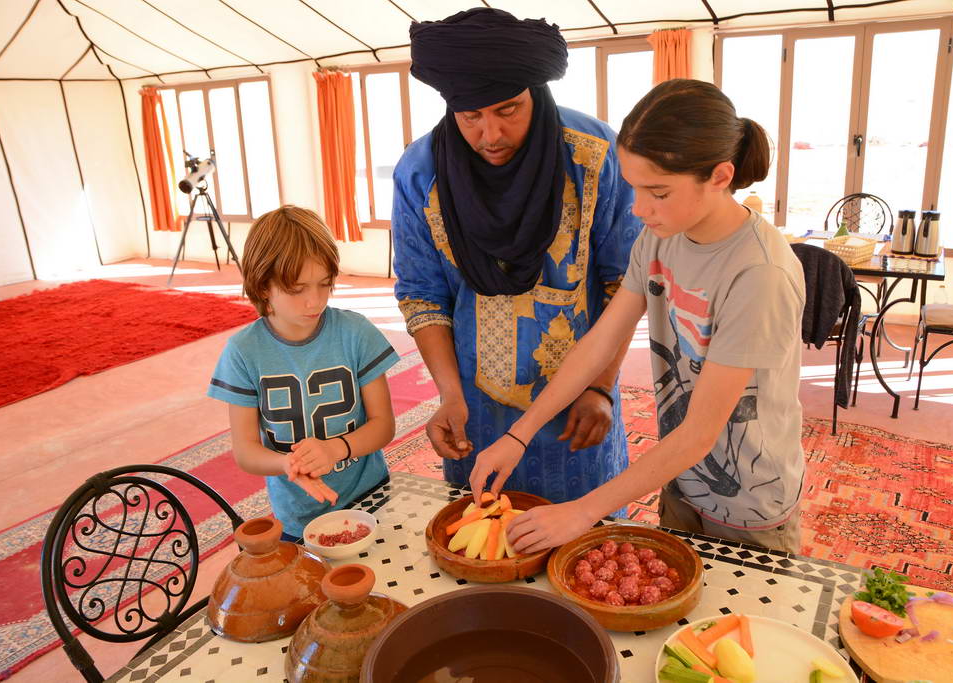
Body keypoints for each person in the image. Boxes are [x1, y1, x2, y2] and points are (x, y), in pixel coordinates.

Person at [471, 79, 807, 554]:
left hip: (750, 501)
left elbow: (700, 432)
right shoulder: (661, 235)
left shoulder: (758, 273)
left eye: (659, 192)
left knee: (739, 626)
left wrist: (583, 511)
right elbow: (600, 342)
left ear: (719, 175)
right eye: (634, 188)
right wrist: (518, 434)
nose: (639, 208)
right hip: (678, 475)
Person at [391, 8, 641, 504]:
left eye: (508, 110)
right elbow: (422, 294)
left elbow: (626, 283)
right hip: (475, 407)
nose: (490, 135)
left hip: (579, 402)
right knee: (484, 541)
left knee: (584, 549)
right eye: (470, 117)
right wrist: (449, 396)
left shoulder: (594, 155)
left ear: (537, 93)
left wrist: (602, 387)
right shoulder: (421, 173)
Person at [208, 206, 400, 542]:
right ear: (263, 286)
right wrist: (288, 466)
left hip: (373, 501)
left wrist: (336, 449)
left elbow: (383, 424)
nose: (315, 301)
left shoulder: (356, 332)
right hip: (297, 517)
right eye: (297, 289)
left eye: (324, 284)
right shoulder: (243, 352)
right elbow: (246, 451)